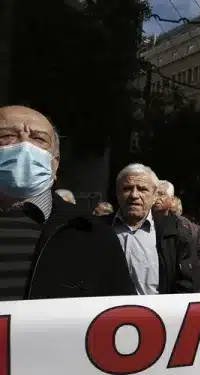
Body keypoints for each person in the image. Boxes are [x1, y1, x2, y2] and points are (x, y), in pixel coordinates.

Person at [0, 105, 134, 299]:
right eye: (6, 136)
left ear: (55, 163)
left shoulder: (93, 234)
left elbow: (119, 317)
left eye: (39, 139)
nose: (24, 146)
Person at [109, 163, 200, 294]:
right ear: (117, 193)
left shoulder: (178, 232)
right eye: (127, 188)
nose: (134, 195)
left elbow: (189, 286)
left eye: (142, 189)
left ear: (154, 196)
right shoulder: (98, 230)